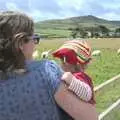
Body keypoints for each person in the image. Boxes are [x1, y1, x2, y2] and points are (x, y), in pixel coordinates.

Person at [0, 11, 98, 120]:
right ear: (21, 42)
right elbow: (90, 117)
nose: (35, 45)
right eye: (35, 39)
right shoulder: (45, 71)